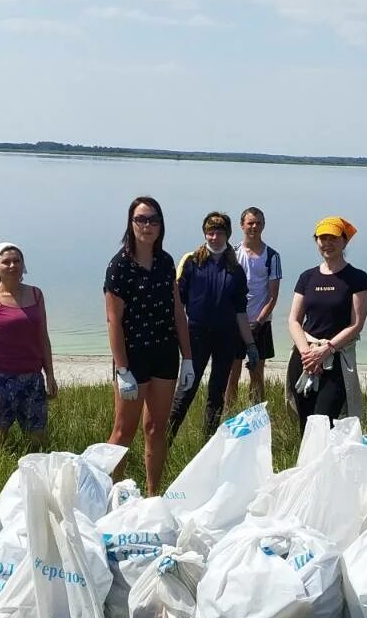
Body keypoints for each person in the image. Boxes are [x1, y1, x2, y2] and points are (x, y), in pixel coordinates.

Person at [104, 197, 195, 494]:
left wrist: (189, 358)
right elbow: (113, 321)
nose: (147, 225)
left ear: (161, 225)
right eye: (141, 219)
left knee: (156, 429)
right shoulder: (119, 266)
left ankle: (153, 493)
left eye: (153, 219)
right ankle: (110, 491)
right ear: (130, 223)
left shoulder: (166, 262)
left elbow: (178, 312)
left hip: (164, 354)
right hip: (132, 358)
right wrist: (122, 368)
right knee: (123, 430)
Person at [168, 211, 257, 438]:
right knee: (186, 389)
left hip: (226, 338)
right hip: (195, 336)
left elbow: (240, 312)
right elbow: (178, 305)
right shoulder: (191, 262)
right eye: (210, 232)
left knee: (217, 394)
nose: (214, 237)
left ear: (227, 235)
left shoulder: (236, 270)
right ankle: (165, 440)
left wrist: (251, 345)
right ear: (205, 234)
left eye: (219, 232)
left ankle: (207, 444)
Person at [0, 241, 57, 461]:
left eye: (16, 261)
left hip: (32, 379)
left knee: (38, 441)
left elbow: (43, 338)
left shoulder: (36, 295)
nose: (12, 266)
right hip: (1, 379)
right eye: (6, 261)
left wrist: (50, 375)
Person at [286, 216, 367, 426]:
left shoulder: (357, 278)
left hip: (336, 358)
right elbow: (294, 320)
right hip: (305, 358)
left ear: (344, 241)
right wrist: (308, 354)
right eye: (322, 238)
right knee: (304, 422)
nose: (327, 243)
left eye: (333, 238)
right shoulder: (307, 277)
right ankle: (305, 460)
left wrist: (326, 350)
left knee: (325, 421)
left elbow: (356, 324)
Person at [226, 206, 282, 407]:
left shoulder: (272, 256)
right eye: (250, 223)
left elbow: (273, 296)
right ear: (242, 225)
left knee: (256, 373)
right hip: (234, 322)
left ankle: (257, 415)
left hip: (260, 323)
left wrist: (258, 322)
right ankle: (227, 416)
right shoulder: (231, 253)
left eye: (258, 223)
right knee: (232, 372)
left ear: (264, 225)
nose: (254, 227)